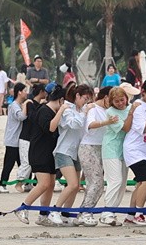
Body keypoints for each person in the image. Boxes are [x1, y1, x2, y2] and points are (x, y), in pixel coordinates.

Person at [14, 84, 65, 226]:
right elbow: (51, 128)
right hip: (39, 152)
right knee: (43, 184)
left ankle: (43, 215)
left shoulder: (52, 111)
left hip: (50, 153)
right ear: (60, 99)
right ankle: (23, 207)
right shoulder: (44, 110)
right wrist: (61, 111)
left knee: (51, 184)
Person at [48, 83, 92, 226]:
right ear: (77, 96)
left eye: (88, 99)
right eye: (85, 98)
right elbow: (74, 124)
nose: (86, 102)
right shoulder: (67, 108)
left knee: (76, 185)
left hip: (77, 151)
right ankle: (55, 210)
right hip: (64, 150)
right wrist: (84, 113)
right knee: (72, 184)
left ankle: (66, 214)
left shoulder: (82, 109)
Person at [120, 79, 146, 226]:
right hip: (134, 150)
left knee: (141, 183)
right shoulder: (139, 106)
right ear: (143, 92)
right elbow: (144, 129)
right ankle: (139, 213)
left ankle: (130, 216)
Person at [99, 84, 137, 226]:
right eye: (117, 101)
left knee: (122, 183)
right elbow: (126, 128)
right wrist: (131, 113)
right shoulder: (110, 112)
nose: (120, 103)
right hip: (111, 149)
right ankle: (106, 212)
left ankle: (112, 211)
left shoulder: (130, 107)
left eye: (122, 100)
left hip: (125, 150)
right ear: (111, 102)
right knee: (115, 180)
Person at [76, 87, 114, 226]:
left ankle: (85, 211)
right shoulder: (93, 108)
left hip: (102, 148)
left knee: (95, 183)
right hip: (88, 147)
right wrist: (106, 122)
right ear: (105, 97)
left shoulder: (108, 110)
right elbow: (91, 124)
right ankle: (85, 212)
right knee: (97, 182)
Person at [0, 83, 28, 194]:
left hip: (19, 140)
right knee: (9, 164)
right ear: (19, 92)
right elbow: (21, 117)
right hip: (12, 140)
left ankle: (27, 183)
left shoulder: (20, 105)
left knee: (24, 163)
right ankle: (2, 184)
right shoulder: (14, 105)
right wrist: (26, 105)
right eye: (25, 90)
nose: (26, 93)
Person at [16, 85, 47, 192]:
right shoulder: (30, 103)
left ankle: (28, 183)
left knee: (33, 161)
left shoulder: (40, 105)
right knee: (26, 162)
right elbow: (33, 118)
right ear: (41, 92)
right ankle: (19, 183)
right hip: (26, 137)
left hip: (34, 138)